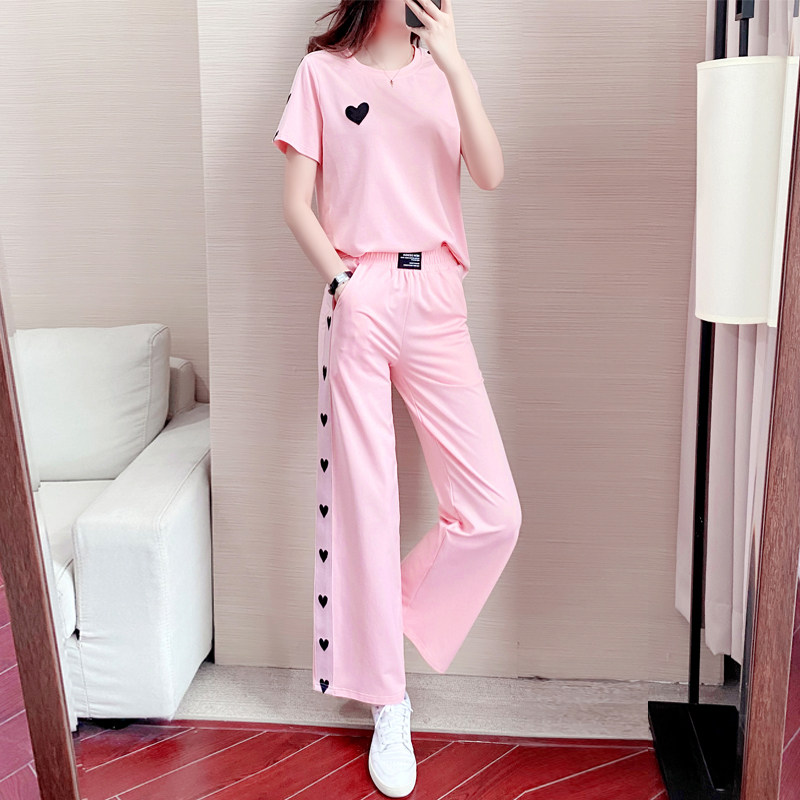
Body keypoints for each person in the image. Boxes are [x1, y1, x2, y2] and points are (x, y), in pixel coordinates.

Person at [273, 0, 521, 795]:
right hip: (361, 293)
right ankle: (389, 701)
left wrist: (455, 63)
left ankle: (385, 616)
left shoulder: (443, 74)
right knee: (366, 505)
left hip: (438, 293)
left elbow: (490, 173)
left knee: (493, 512)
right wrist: (344, 284)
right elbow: (295, 204)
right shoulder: (321, 73)